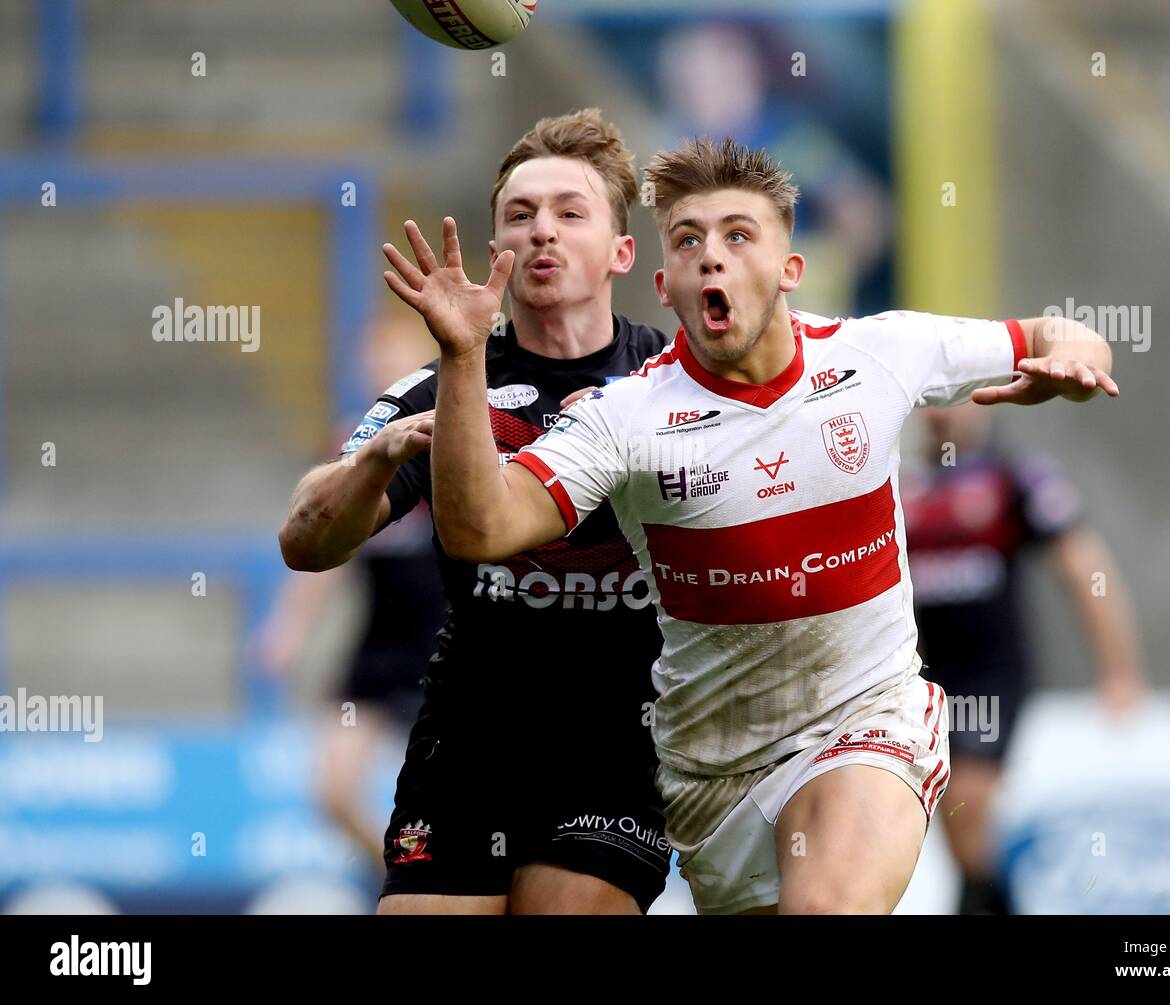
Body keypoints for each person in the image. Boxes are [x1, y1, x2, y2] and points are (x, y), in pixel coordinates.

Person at [384, 136, 1119, 914]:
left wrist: (1069, 367)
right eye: (690, 239)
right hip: (713, 774)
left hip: (865, 717)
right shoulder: (625, 418)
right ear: (663, 282)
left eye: (739, 235)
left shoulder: (878, 354)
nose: (713, 257)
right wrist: (464, 356)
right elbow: (478, 527)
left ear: (790, 269)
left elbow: (1053, 334)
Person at [280, 109, 672, 915]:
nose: (542, 233)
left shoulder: (674, 384)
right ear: (497, 249)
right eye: (520, 216)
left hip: (620, 737)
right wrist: (379, 459)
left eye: (570, 212)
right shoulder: (444, 384)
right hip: (470, 735)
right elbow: (304, 541)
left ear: (621, 252)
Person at [902, 401, 1144, 913]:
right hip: (926, 685)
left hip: (994, 677)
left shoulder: (1015, 479)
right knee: (959, 835)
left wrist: (1119, 670)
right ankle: (988, 902)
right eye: (933, 400)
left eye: (957, 398)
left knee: (967, 805)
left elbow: (1085, 571)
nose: (943, 413)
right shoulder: (899, 489)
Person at [260, 316, 448, 876]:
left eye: (398, 359)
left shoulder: (459, 438)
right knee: (333, 790)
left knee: (443, 798)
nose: (385, 371)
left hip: (445, 641)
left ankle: (451, 882)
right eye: (376, 361)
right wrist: (287, 628)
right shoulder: (356, 447)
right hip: (379, 645)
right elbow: (325, 554)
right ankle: (404, 877)